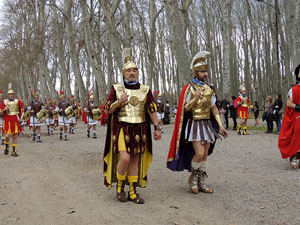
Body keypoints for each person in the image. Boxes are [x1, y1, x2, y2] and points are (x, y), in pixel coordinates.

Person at [103, 48, 161, 204]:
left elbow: (151, 110)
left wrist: (157, 128)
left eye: (135, 70)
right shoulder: (117, 89)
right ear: (124, 73)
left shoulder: (145, 90)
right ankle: (120, 187)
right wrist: (118, 102)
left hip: (140, 129)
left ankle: (133, 191)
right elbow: (107, 110)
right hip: (122, 128)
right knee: (125, 158)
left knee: (134, 160)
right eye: (129, 70)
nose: (132, 72)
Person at [167, 51, 228, 194]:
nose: (204, 73)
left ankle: (201, 181)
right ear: (195, 72)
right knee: (199, 153)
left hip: (207, 125)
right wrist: (195, 98)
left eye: (205, 71)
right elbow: (186, 108)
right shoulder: (189, 88)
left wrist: (220, 126)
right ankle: (193, 178)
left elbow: (214, 108)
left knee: (205, 153)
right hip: (195, 125)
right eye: (201, 71)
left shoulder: (209, 89)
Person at [278, 64, 300, 169]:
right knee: (296, 136)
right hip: (297, 116)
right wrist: (298, 107)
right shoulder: (294, 89)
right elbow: (289, 103)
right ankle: (294, 157)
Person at [0, 89, 24, 156]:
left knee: (15, 136)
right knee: (7, 136)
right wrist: (4, 110)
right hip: (7, 120)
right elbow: (0, 113)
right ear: (8, 95)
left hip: (15, 120)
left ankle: (14, 151)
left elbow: (22, 111)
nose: (11, 95)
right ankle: (6, 146)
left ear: (13, 95)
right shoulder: (4, 102)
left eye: (12, 94)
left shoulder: (18, 102)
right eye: (10, 94)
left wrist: (21, 118)